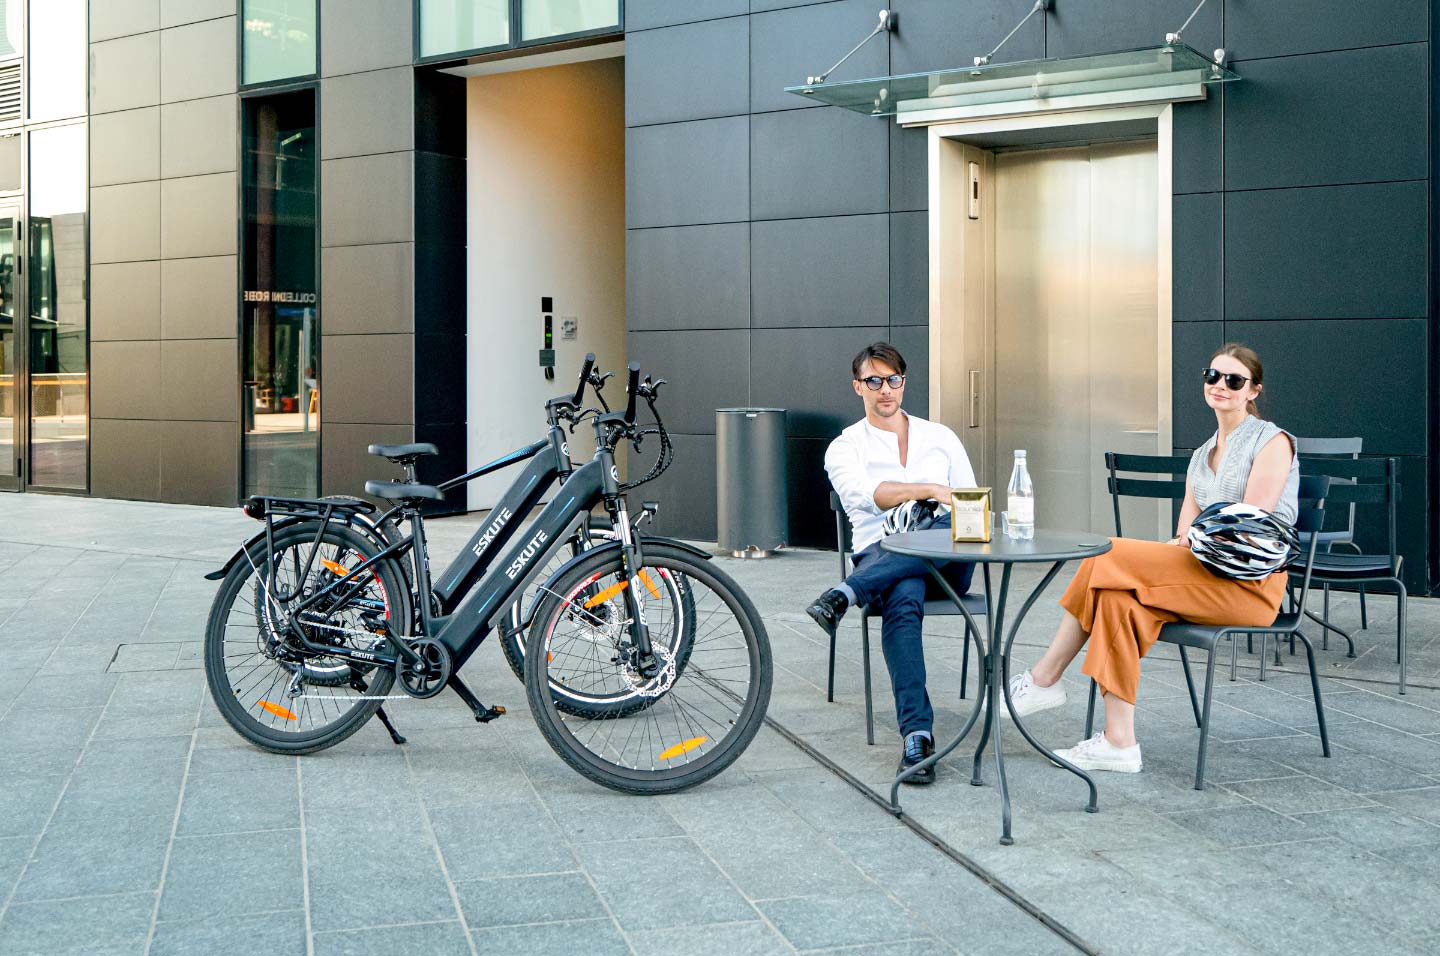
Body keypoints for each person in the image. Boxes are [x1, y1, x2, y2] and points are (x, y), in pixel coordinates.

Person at [1005, 343, 1300, 773]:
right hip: (1202, 575)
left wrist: (1180, 546)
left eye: (1234, 380)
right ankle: (1119, 743)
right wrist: (1179, 546)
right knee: (1116, 599)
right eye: (1213, 375)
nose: (1220, 386)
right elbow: (1185, 531)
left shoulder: (1271, 441)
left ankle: (1045, 677)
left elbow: (1245, 528)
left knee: (1105, 554)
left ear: (1253, 390)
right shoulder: (1202, 455)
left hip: (1249, 586)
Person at [806, 342, 976, 785]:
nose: (886, 390)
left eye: (894, 380)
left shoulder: (941, 437)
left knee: (931, 533)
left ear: (904, 383)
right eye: (875, 381)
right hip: (882, 557)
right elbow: (868, 497)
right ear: (857, 386)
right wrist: (928, 489)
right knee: (902, 597)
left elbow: (970, 505)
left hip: (948, 563)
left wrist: (937, 502)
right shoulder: (845, 447)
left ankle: (846, 593)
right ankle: (917, 734)